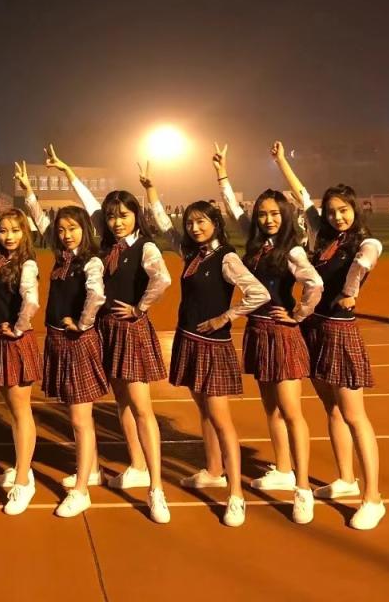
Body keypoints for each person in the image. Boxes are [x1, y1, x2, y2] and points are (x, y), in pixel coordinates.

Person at [44, 146, 172, 523]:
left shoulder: (145, 246)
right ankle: (137, 465)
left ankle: (156, 489)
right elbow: (91, 204)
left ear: (136, 216)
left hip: (129, 330)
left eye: (124, 215)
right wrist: (68, 172)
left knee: (142, 407)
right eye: (112, 216)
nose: (117, 222)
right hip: (104, 330)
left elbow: (162, 279)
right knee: (121, 402)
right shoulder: (106, 245)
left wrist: (140, 308)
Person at [144, 164, 270, 528]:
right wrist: (151, 190)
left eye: (202, 221)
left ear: (215, 222)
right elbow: (164, 226)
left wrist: (226, 316)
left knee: (221, 419)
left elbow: (258, 293)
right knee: (203, 410)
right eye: (191, 222)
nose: (195, 227)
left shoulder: (226, 258)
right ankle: (214, 470)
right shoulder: (191, 254)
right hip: (189, 339)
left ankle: (236, 495)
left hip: (213, 345)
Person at [272, 141, 386, 530]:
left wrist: (352, 291)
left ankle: (373, 498)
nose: (337, 216)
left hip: (340, 332)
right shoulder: (322, 236)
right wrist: (282, 162)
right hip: (313, 329)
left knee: (354, 415)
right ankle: (346, 479)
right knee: (331, 410)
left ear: (356, 209)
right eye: (332, 211)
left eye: (343, 210)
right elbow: (302, 196)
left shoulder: (365, 241)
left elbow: (362, 264)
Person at [212, 144, 323, 524]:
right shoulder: (256, 244)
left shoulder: (293, 251)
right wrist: (222, 174)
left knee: (292, 412)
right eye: (263, 214)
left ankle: (303, 489)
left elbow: (315, 284)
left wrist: (298, 314)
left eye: (275, 213)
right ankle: (283, 468)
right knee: (271, 409)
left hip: (282, 333)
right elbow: (233, 210)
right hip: (258, 332)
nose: (268, 219)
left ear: (285, 215)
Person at [18, 162, 110, 518]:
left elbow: (96, 296)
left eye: (73, 228)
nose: (66, 234)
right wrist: (28, 192)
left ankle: (82, 490)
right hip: (59, 341)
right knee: (76, 415)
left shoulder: (91, 262)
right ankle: (93, 470)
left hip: (77, 343)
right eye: (62, 229)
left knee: (79, 418)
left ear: (85, 229)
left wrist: (83, 324)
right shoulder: (62, 258)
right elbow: (41, 221)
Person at [0, 154, 42, 516]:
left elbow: (31, 301)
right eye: (4, 231)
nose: (8, 235)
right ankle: (22, 468)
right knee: (11, 408)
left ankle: (23, 481)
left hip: (13, 341)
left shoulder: (26, 263)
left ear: (25, 232)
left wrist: (17, 328)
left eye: (15, 230)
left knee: (20, 411)